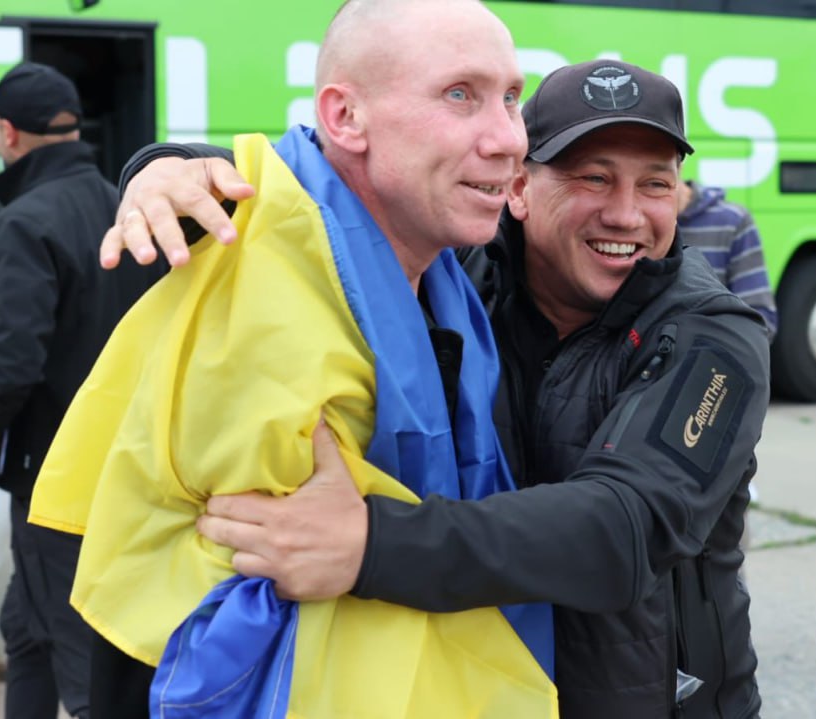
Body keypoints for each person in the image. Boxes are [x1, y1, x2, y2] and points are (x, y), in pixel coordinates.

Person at [106, 57, 771, 717]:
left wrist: (368, 543)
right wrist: (174, 165)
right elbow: (336, 199)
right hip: (475, 688)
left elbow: (622, 527)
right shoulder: (458, 279)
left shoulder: (714, 335)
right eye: (593, 178)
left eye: (655, 185)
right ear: (517, 188)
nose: (626, 214)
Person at [29, 2, 557, 717]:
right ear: (344, 118)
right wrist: (158, 169)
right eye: (460, 94)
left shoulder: (445, 273)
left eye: (512, 98)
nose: (507, 139)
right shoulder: (257, 265)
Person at [0, 62, 165, 719]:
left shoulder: (22, 224)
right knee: (28, 632)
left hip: (57, 486)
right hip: (131, 466)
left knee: (89, 674)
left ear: (7, 133)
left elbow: (10, 360)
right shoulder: (124, 205)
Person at [676, 180, 778, 340]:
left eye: (657, 183)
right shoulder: (634, 223)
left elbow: (760, 321)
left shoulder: (733, 221)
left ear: (679, 163)